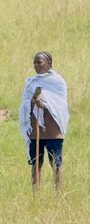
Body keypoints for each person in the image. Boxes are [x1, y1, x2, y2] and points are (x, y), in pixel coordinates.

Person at [19, 51, 69, 192]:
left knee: (56, 163)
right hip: (35, 131)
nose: (36, 65)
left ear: (49, 64)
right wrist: (33, 101)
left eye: (39, 62)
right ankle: (35, 193)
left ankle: (59, 193)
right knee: (36, 164)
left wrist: (45, 104)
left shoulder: (58, 82)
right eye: (34, 62)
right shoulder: (31, 82)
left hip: (53, 131)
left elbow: (60, 105)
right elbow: (24, 104)